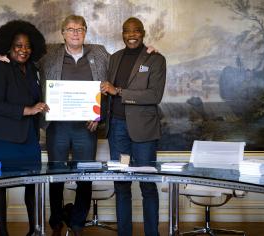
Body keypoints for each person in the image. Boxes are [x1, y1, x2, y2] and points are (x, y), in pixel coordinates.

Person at [39, 15, 109, 236]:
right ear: (63, 33)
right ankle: (56, 221)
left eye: (80, 29)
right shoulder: (48, 55)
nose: (75, 33)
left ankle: (78, 222)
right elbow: (23, 59)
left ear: (86, 31)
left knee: (85, 176)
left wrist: (98, 115)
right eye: (70, 29)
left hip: (86, 127)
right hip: (57, 126)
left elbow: (117, 75)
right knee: (56, 175)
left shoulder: (100, 54)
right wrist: (4, 56)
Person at [0, 20, 48, 236]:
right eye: (18, 45)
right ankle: (3, 233)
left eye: (27, 46)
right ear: (8, 45)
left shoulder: (33, 69)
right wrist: (28, 110)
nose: (23, 50)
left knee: (32, 183)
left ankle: (34, 230)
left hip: (27, 139)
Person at [100, 17, 166, 236]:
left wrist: (118, 91)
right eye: (127, 31)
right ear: (122, 33)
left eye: (136, 31)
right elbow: (105, 91)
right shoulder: (114, 58)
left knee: (147, 184)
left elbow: (154, 95)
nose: (132, 35)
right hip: (117, 129)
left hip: (143, 130)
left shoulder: (156, 59)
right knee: (121, 184)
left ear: (143, 32)